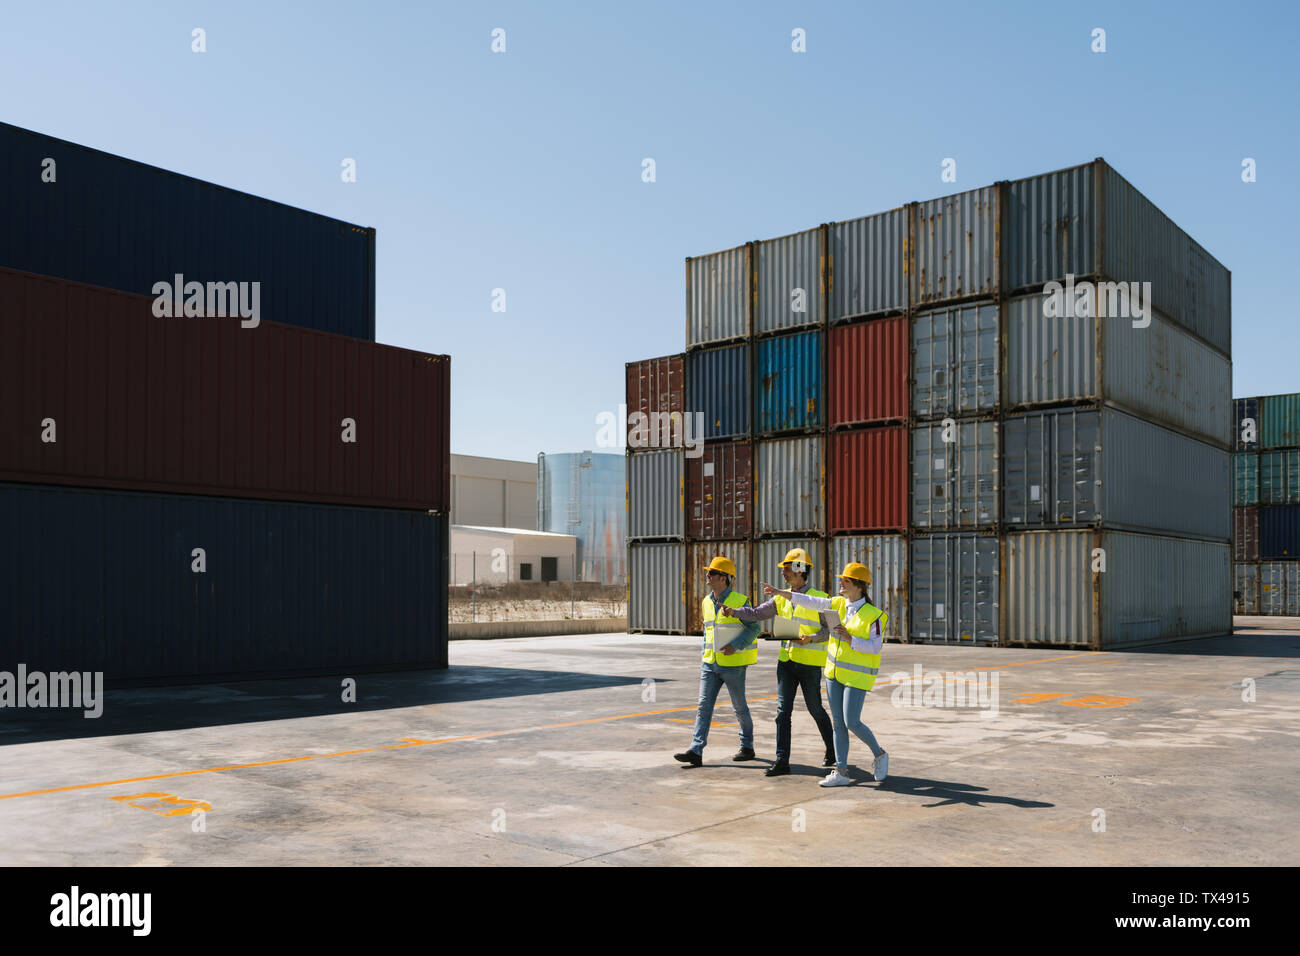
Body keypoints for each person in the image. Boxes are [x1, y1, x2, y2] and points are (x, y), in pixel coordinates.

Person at [762, 562, 888, 787]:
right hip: (834, 673)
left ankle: (879, 754)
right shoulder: (838, 604)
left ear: (858, 585)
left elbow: (875, 647)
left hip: (857, 676)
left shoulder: (874, 615)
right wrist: (782, 593)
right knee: (838, 723)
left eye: (845, 580)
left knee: (852, 722)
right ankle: (841, 771)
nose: (841, 582)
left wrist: (851, 639)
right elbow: (810, 601)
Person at [728, 548, 836, 776]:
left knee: (815, 709)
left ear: (800, 570)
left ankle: (832, 749)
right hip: (786, 663)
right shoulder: (780, 598)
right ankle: (781, 760)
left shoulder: (821, 599)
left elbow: (831, 630)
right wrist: (735, 612)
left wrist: (812, 638)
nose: (784, 573)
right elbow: (757, 613)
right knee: (781, 712)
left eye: (787, 568)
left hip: (809, 664)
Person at [673, 555, 762, 768]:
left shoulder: (740, 601)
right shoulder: (706, 601)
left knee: (739, 708)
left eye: (712, 573)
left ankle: (747, 746)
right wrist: (705, 654)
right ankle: (696, 750)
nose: (707, 575)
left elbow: (755, 627)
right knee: (703, 706)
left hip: (733, 665)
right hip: (710, 664)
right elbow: (708, 633)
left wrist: (736, 645)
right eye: (708, 572)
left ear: (724, 578)